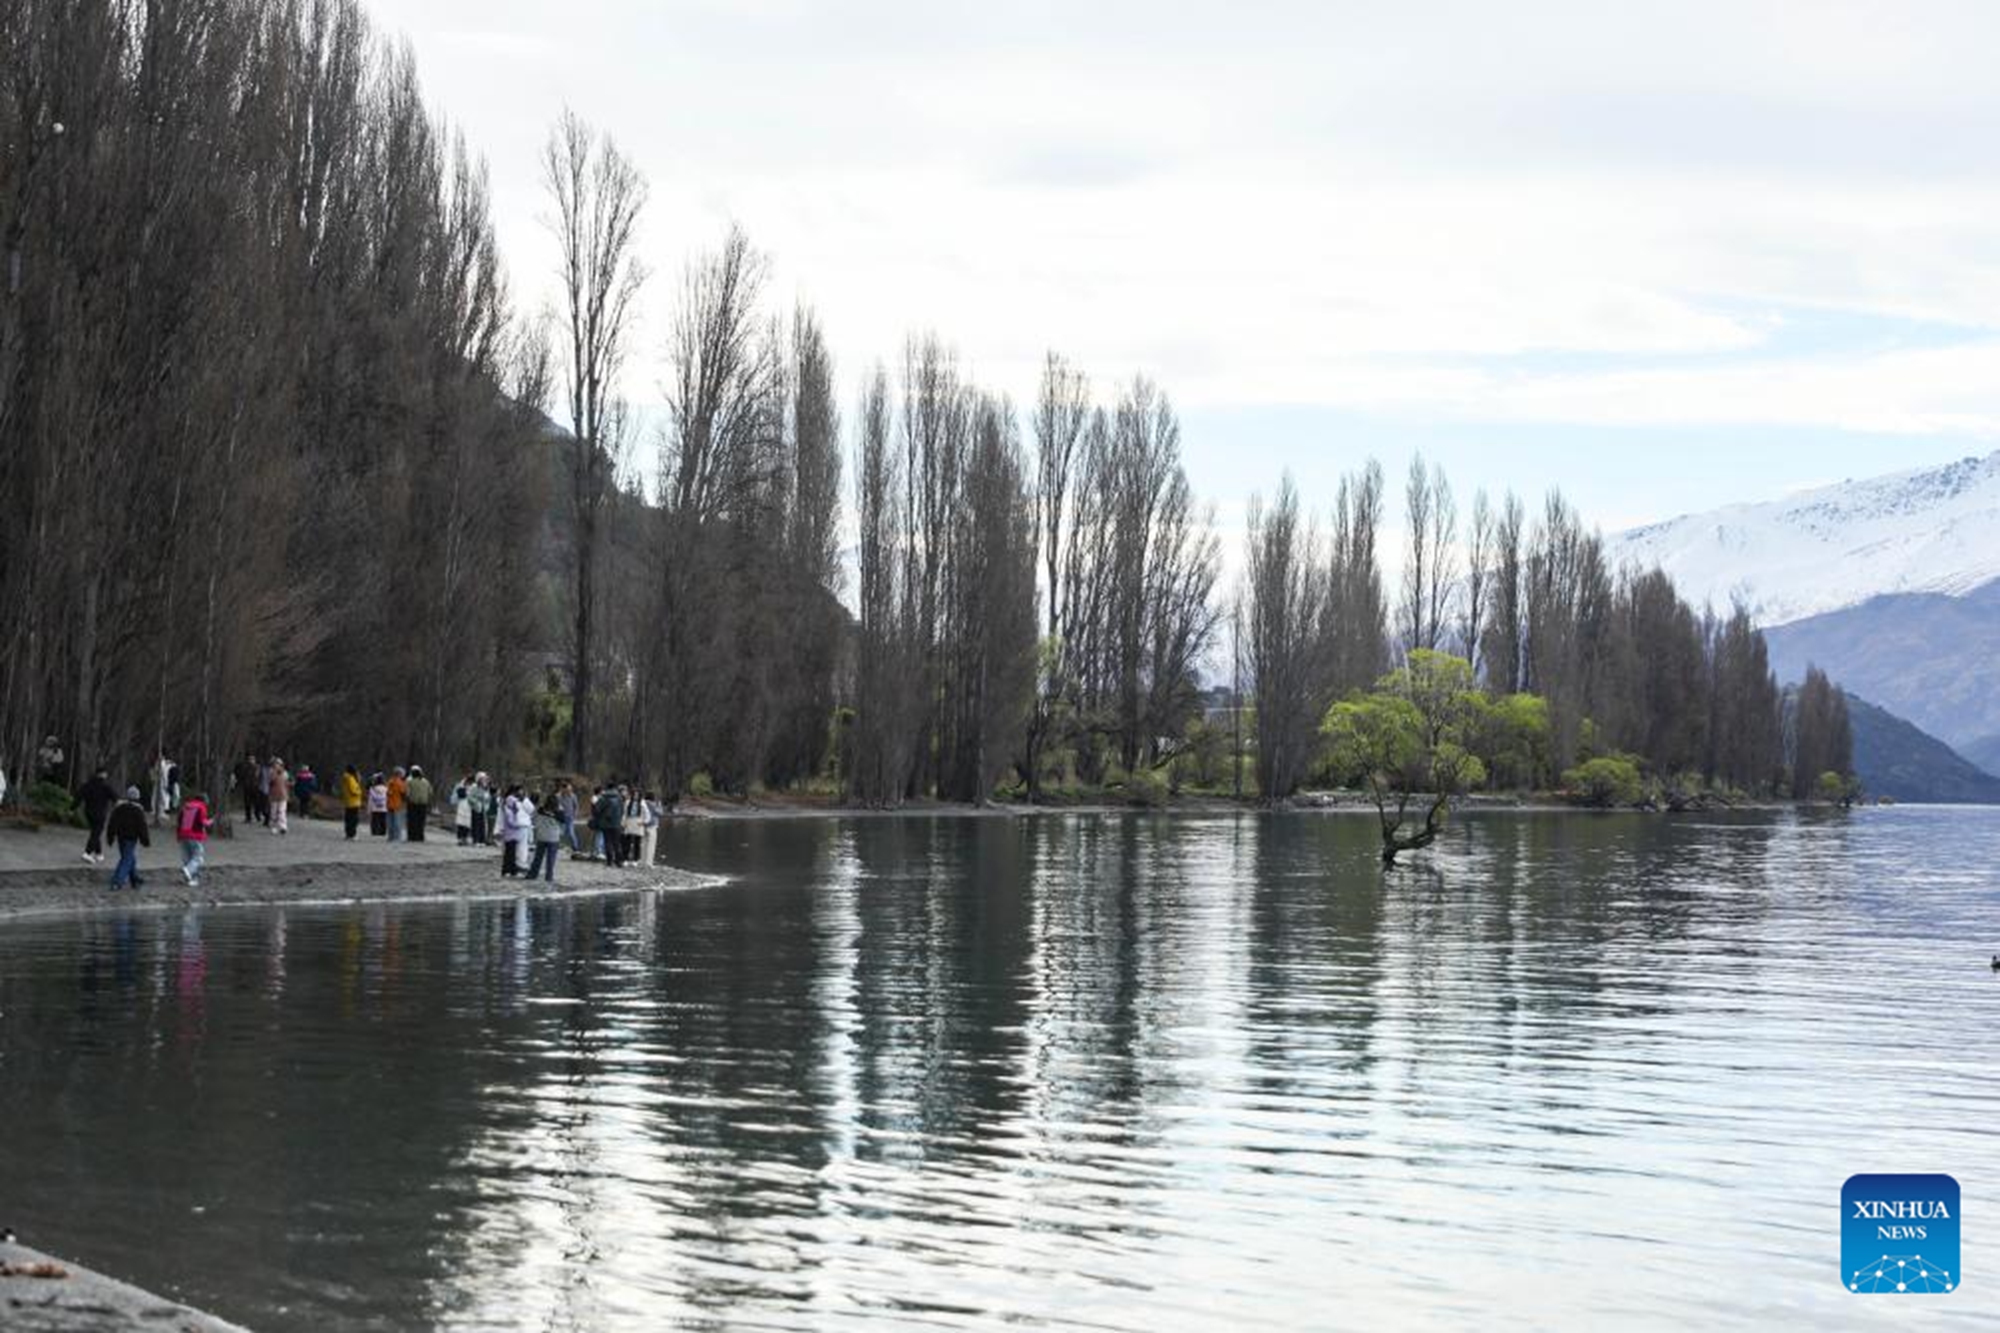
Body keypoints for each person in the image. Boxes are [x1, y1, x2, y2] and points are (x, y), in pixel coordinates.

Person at [106, 785, 149, 891]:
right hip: (131, 838)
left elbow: (112, 823)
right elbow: (142, 826)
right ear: (137, 797)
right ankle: (117, 881)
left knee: (128, 857)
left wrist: (110, 836)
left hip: (121, 836)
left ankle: (134, 879)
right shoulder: (138, 810)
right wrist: (145, 839)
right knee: (127, 859)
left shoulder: (119, 808)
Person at [78, 767, 116, 864]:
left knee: (95, 832)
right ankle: (87, 852)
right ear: (103, 774)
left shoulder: (87, 785)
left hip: (89, 812)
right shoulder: (105, 786)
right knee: (96, 833)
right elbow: (115, 797)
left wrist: (71, 808)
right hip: (100, 813)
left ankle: (99, 854)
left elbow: (78, 797)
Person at [177, 791, 213, 887]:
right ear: (203, 800)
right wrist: (211, 822)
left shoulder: (185, 807)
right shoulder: (201, 807)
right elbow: (203, 822)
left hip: (183, 834)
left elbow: (179, 821)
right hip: (195, 835)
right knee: (198, 857)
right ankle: (188, 871)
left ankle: (191, 879)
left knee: (188, 858)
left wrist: (178, 835)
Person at [525, 795, 562, 883]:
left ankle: (532, 874)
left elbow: (533, 820)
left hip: (541, 836)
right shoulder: (558, 812)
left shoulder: (540, 810)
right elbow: (564, 821)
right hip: (553, 838)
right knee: (551, 859)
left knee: (538, 857)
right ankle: (549, 876)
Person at [592, 784, 625, 868]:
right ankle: (619, 861)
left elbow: (596, 810)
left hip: (605, 823)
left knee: (608, 842)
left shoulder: (603, 798)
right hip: (617, 823)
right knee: (617, 843)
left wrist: (600, 817)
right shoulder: (619, 798)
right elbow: (622, 810)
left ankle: (609, 861)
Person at [499, 784, 527, 876]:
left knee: (511, 853)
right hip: (510, 835)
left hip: (513, 835)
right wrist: (521, 824)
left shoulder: (511, 809)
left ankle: (510, 870)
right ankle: (507, 870)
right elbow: (511, 823)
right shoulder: (509, 810)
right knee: (509, 854)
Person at [406, 765, 432, 842]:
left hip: (412, 803)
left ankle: (412, 836)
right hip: (423, 804)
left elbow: (407, 793)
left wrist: (407, 799)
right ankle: (420, 836)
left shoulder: (410, 781)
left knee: (412, 821)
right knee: (421, 821)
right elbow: (430, 792)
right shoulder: (426, 781)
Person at [620, 785, 644, 865]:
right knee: (627, 842)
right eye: (634, 794)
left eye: (637, 795)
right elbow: (624, 813)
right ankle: (625, 859)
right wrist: (623, 823)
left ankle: (635, 860)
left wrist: (643, 822)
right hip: (629, 822)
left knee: (637, 843)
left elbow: (647, 815)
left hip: (638, 823)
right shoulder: (627, 802)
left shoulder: (642, 803)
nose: (636, 796)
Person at [267, 757, 291, 835]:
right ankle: (273, 827)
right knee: (274, 812)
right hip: (274, 795)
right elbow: (270, 781)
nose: (277, 765)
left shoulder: (285, 773)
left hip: (283, 795)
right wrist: (275, 773)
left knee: (282, 811)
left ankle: (283, 827)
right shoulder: (271, 772)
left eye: (279, 764)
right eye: (276, 764)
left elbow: (287, 783)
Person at [639, 790, 661, 869]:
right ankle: (649, 863)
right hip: (652, 825)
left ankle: (642, 861)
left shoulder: (642, 803)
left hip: (643, 824)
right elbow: (659, 813)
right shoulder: (653, 804)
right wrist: (659, 805)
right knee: (651, 845)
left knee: (643, 844)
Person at [557, 781, 582, 853]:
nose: (569, 791)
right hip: (561, 817)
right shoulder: (558, 796)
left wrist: (575, 814)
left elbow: (576, 806)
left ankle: (576, 847)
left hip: (570, 817)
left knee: (571, 833)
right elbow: (556, 805)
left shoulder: (573, 796)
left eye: (569, 789)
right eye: (567, 789)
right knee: (560, 832)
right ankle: (558, 846)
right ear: (562, 789)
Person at [340, 764, 364, 839]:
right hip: (354, 802)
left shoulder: (345, 777)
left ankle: (348, 834)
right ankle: (352, 834)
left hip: (348, 801)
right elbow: (354, 790)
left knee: (348, 818)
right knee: (353, 819)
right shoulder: (350, 778)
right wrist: (360, 791)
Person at [470, 772, 494, 845]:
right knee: (476, 824)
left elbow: (488, 797)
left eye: (485, 779)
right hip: (476, 807)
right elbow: (470, 797)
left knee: (482, 824)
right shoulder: (474, 787)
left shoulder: (485, 788)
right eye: (482, 779)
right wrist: (476, 802)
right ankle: (476, 840)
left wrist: (487, 802)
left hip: (483, 808)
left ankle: (481, 840)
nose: (484, 780)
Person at [235, 753, 259, 823]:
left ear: (254, 760)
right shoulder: (245, 767)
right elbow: (242, 776)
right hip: (247, 787)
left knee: (256, 802)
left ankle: (257, 815)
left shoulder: (257, 767)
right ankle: (248, 817)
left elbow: (258, 777)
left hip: (255, 787)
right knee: (247, 803)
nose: (251, 761)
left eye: (252, 759)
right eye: (250, 759)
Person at [386, 767, 408, 842]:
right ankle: (397, 837)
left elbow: (387, 792)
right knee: (397, 822)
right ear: (399, 774)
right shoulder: (400, 783)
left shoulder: (390, 781)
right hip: (397, 804)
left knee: (390, 821)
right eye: (402, 774)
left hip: (389, 804)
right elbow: (403, 793)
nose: (403, 775)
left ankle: (390, 837)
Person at [451, 774, 474, 845]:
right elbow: (458, 795)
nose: (469, 783)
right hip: (461, 805)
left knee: (467, 824)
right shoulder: (460, 785)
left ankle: (465, 838)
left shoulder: (473, 787)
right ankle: (460, 838)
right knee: (460, 823)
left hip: (469, 806)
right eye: (468, 781)